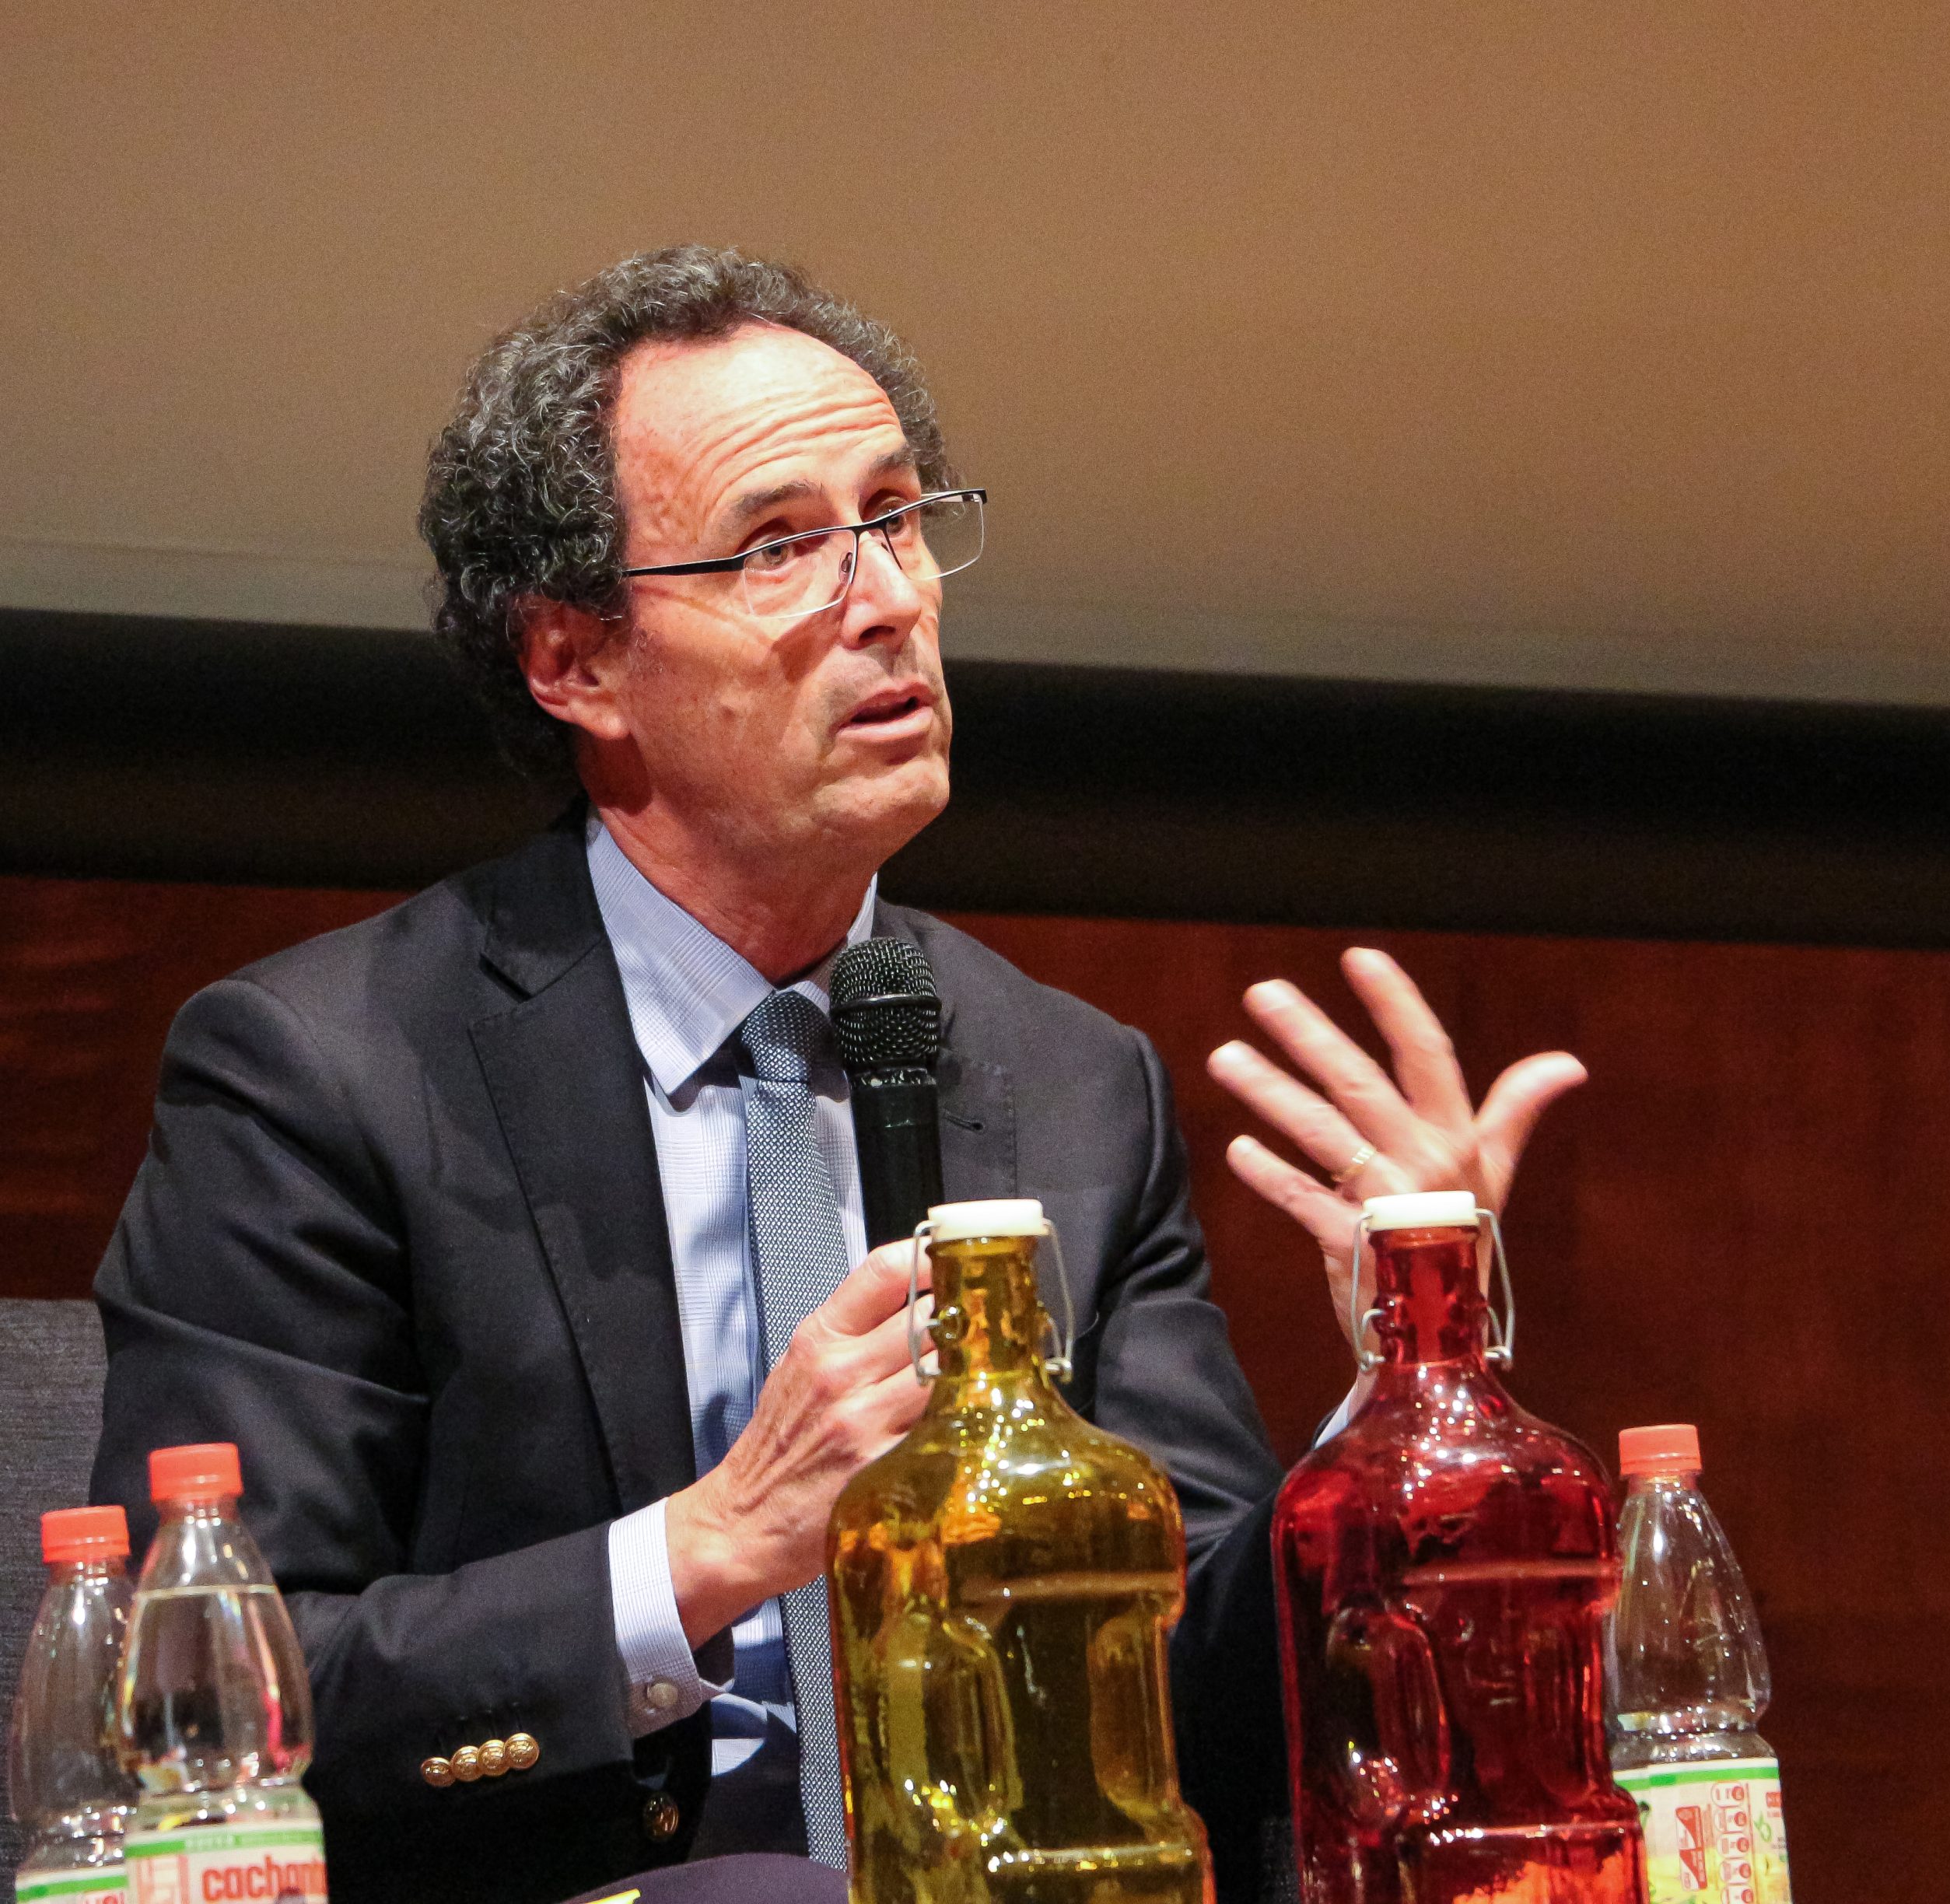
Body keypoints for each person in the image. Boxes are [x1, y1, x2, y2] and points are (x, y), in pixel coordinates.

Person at [89, 247, 1584, 1904]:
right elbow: (210, 1697)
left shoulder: (1069, 1083)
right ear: (576, 662)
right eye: (780, 546)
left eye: (896, 516)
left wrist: (1408, 1388)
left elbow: (1199, 1704)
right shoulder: (329, 1072)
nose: (887, 600)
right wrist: (712, 1545)